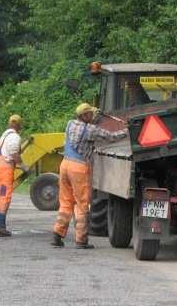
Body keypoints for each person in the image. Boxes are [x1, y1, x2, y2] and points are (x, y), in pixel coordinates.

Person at [51, 103, 127, 249]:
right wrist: (127, 131)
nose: (92, 116)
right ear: (84, 116)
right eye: (90, 114)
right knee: (82, 204)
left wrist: (94, 117)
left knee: (66, 202)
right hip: (79, 168)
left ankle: (57, 235)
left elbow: (82, 128)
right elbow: (110, 137)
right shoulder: (90, 130)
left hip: (65, 164)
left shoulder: (70, 124)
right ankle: (81, 240)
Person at [0, 114, 28, 237]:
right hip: (4, 169)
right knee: (4, 196)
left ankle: (1, 225)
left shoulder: (3, 136)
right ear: (18, 125)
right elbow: (13, 153)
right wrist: (23, 165)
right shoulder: (14, 137)